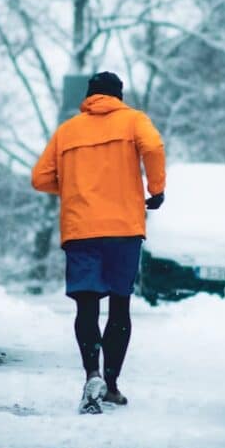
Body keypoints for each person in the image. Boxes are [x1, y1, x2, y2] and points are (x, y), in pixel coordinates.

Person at [31, 71, 166, 414]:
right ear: (118, 96)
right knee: (120, 305)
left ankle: (92, 373)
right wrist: (156, 190)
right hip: (124, 228)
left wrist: (75, 187)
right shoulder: (133, 121)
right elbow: (153, 147)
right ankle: (112, 384)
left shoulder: (68, 130)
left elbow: (40, 178)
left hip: (81, 229)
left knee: (86, 306)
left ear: (89, 96)